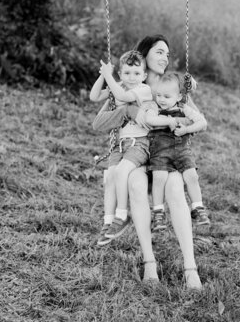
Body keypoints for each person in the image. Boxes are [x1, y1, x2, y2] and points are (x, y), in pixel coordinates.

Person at [93, 35, 203, 289]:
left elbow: (194, 121)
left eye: (168, 53)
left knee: (175, 189)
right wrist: (128, 111)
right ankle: (149, 262)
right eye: (160, 52)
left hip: (165, 156)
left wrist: (177, 116)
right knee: (135, 185)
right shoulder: (131, 83)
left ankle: (190, 267)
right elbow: (101, 122)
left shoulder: (174, 85)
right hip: (138, 154)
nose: (165, 57)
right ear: (145, 55)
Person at [90, 50, 153, 242]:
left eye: (136, 74)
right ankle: (108, 222)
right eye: (126, 73)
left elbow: (123, 97)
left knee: (120, 172)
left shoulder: (143, 90)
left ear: (143, 76)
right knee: (110, 178)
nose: (131, 78)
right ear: (121, 74)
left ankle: (122, 215)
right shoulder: (118, 85)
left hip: (139, 144)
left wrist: (110, 77)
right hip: (120, 144)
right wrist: (103, 75)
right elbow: (94, 96)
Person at [144, 72, 210, 232]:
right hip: (160, 152)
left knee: (192, 176)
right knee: (159, 178)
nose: (161, 99)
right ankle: (158, 212)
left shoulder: (184, 108)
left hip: (182, 151)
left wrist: (186, 129)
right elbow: (149, 120)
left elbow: (202, 122)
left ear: (179, 96)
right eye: (158, 95)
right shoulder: (155, 108)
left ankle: (198, 208)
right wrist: (169, 121)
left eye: (166, 96)